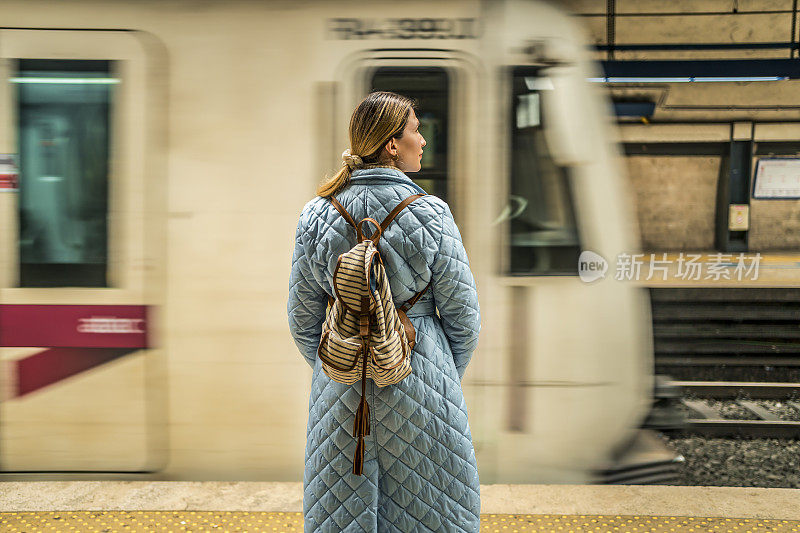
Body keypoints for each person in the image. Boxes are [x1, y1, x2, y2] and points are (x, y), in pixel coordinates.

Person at [287, 91, 481, 532]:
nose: (423, 141)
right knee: (433, 515)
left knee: (341, 513)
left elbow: (302, 318)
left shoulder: (316, 214)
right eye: (416, 130)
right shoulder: (431, 213)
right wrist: (436, 370)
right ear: (392, 144)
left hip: (340, 390)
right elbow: (463, 319)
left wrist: (341, 360)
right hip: (423, 380)